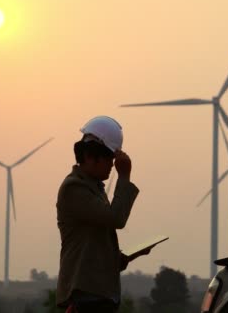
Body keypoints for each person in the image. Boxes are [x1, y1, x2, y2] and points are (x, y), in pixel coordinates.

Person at [56, 116, 151, 313]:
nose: (112, 165)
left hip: (98, 296)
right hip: (88, 297)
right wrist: (124, 176)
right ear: (90, 156)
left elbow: (93, 247)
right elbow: (116, 219)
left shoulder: (93, 188)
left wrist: (126, 257)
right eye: (109, 158)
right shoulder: (74, 188)